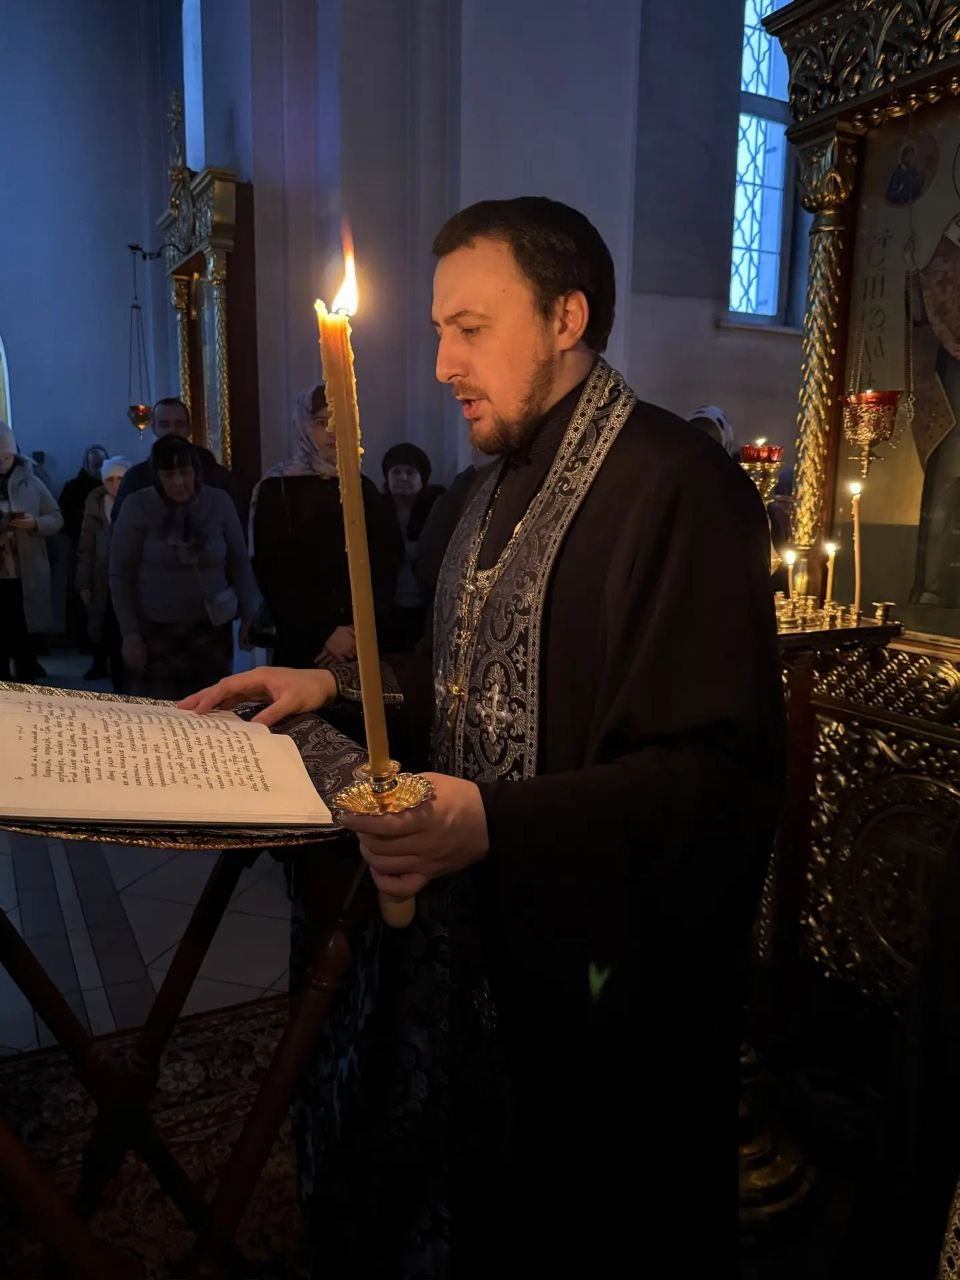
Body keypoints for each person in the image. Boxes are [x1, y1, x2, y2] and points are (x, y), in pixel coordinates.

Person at [181, 196, 785, 1278]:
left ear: (566, 317)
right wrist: (329, 682)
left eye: (471, 327)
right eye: (438, 331)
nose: (444, 363)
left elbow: (718, 776)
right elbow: (452, 679)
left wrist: (492, 821)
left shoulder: (681, 488)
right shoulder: (487, 484)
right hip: (481, 969)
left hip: (604, 991)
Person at [248, 383, 401, 668]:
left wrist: (355, 631)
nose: (332, 431)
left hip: (358, 642)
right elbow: (273, 571)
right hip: (302, 640)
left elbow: (386, 563)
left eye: (340, 421)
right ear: (304, 425)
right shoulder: (277, 488)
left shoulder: (362, 487)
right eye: (321, 422)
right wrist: (324, 632)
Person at [110, 435, 258, 700]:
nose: (178, 482)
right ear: (157, 477)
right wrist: (129, 633)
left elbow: (240, 563)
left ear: (196, 471)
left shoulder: (218, 502)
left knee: (212, 708)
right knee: (159, 710)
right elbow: (120, 574)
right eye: (169, 475)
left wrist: (250, 616)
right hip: (156, 630)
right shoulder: (137, 506)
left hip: (211, 628)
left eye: (185, 472)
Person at [0, 422, 63, 680]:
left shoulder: (32, 482)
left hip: (26, 573)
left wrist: (35, 523)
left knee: (24, 634)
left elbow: (56, 516)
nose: (1, 463)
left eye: (6, 457)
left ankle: (27, 685)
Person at [111, 397, 238, 523]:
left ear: (189, 428)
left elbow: (235, 524)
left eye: (179, 424)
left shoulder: (216, 476)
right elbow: (120, 527)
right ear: (154, 428)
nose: (172, 431)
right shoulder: (135, 479)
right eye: (164, 425)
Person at [381, 442, 445, 650]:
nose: (402, 478)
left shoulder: (436, 511)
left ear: (422, 477)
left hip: (426, 609)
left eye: (410, 472)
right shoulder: (376, 510)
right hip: (386, 609)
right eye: (396, 472)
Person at [76, 455, 131, 685]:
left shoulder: (135, 504)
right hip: (101, 576)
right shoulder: (97, 505)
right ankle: (105, 668)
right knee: (102, 624)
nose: (115, 484)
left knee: (124, 627)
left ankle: (124, 676)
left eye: (120, 479)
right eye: (110, 479)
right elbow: (86, 546)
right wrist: (83, 582)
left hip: (128, 578)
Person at [58, 443, 109, 648]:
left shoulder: (113, 487)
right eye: (95, 465)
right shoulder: (73, 488)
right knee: (81, 591)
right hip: (80, 547)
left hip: (107, 549)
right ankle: (83, 639)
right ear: (86, 465)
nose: (99, 469)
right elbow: (64, 519)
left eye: (102, 464)